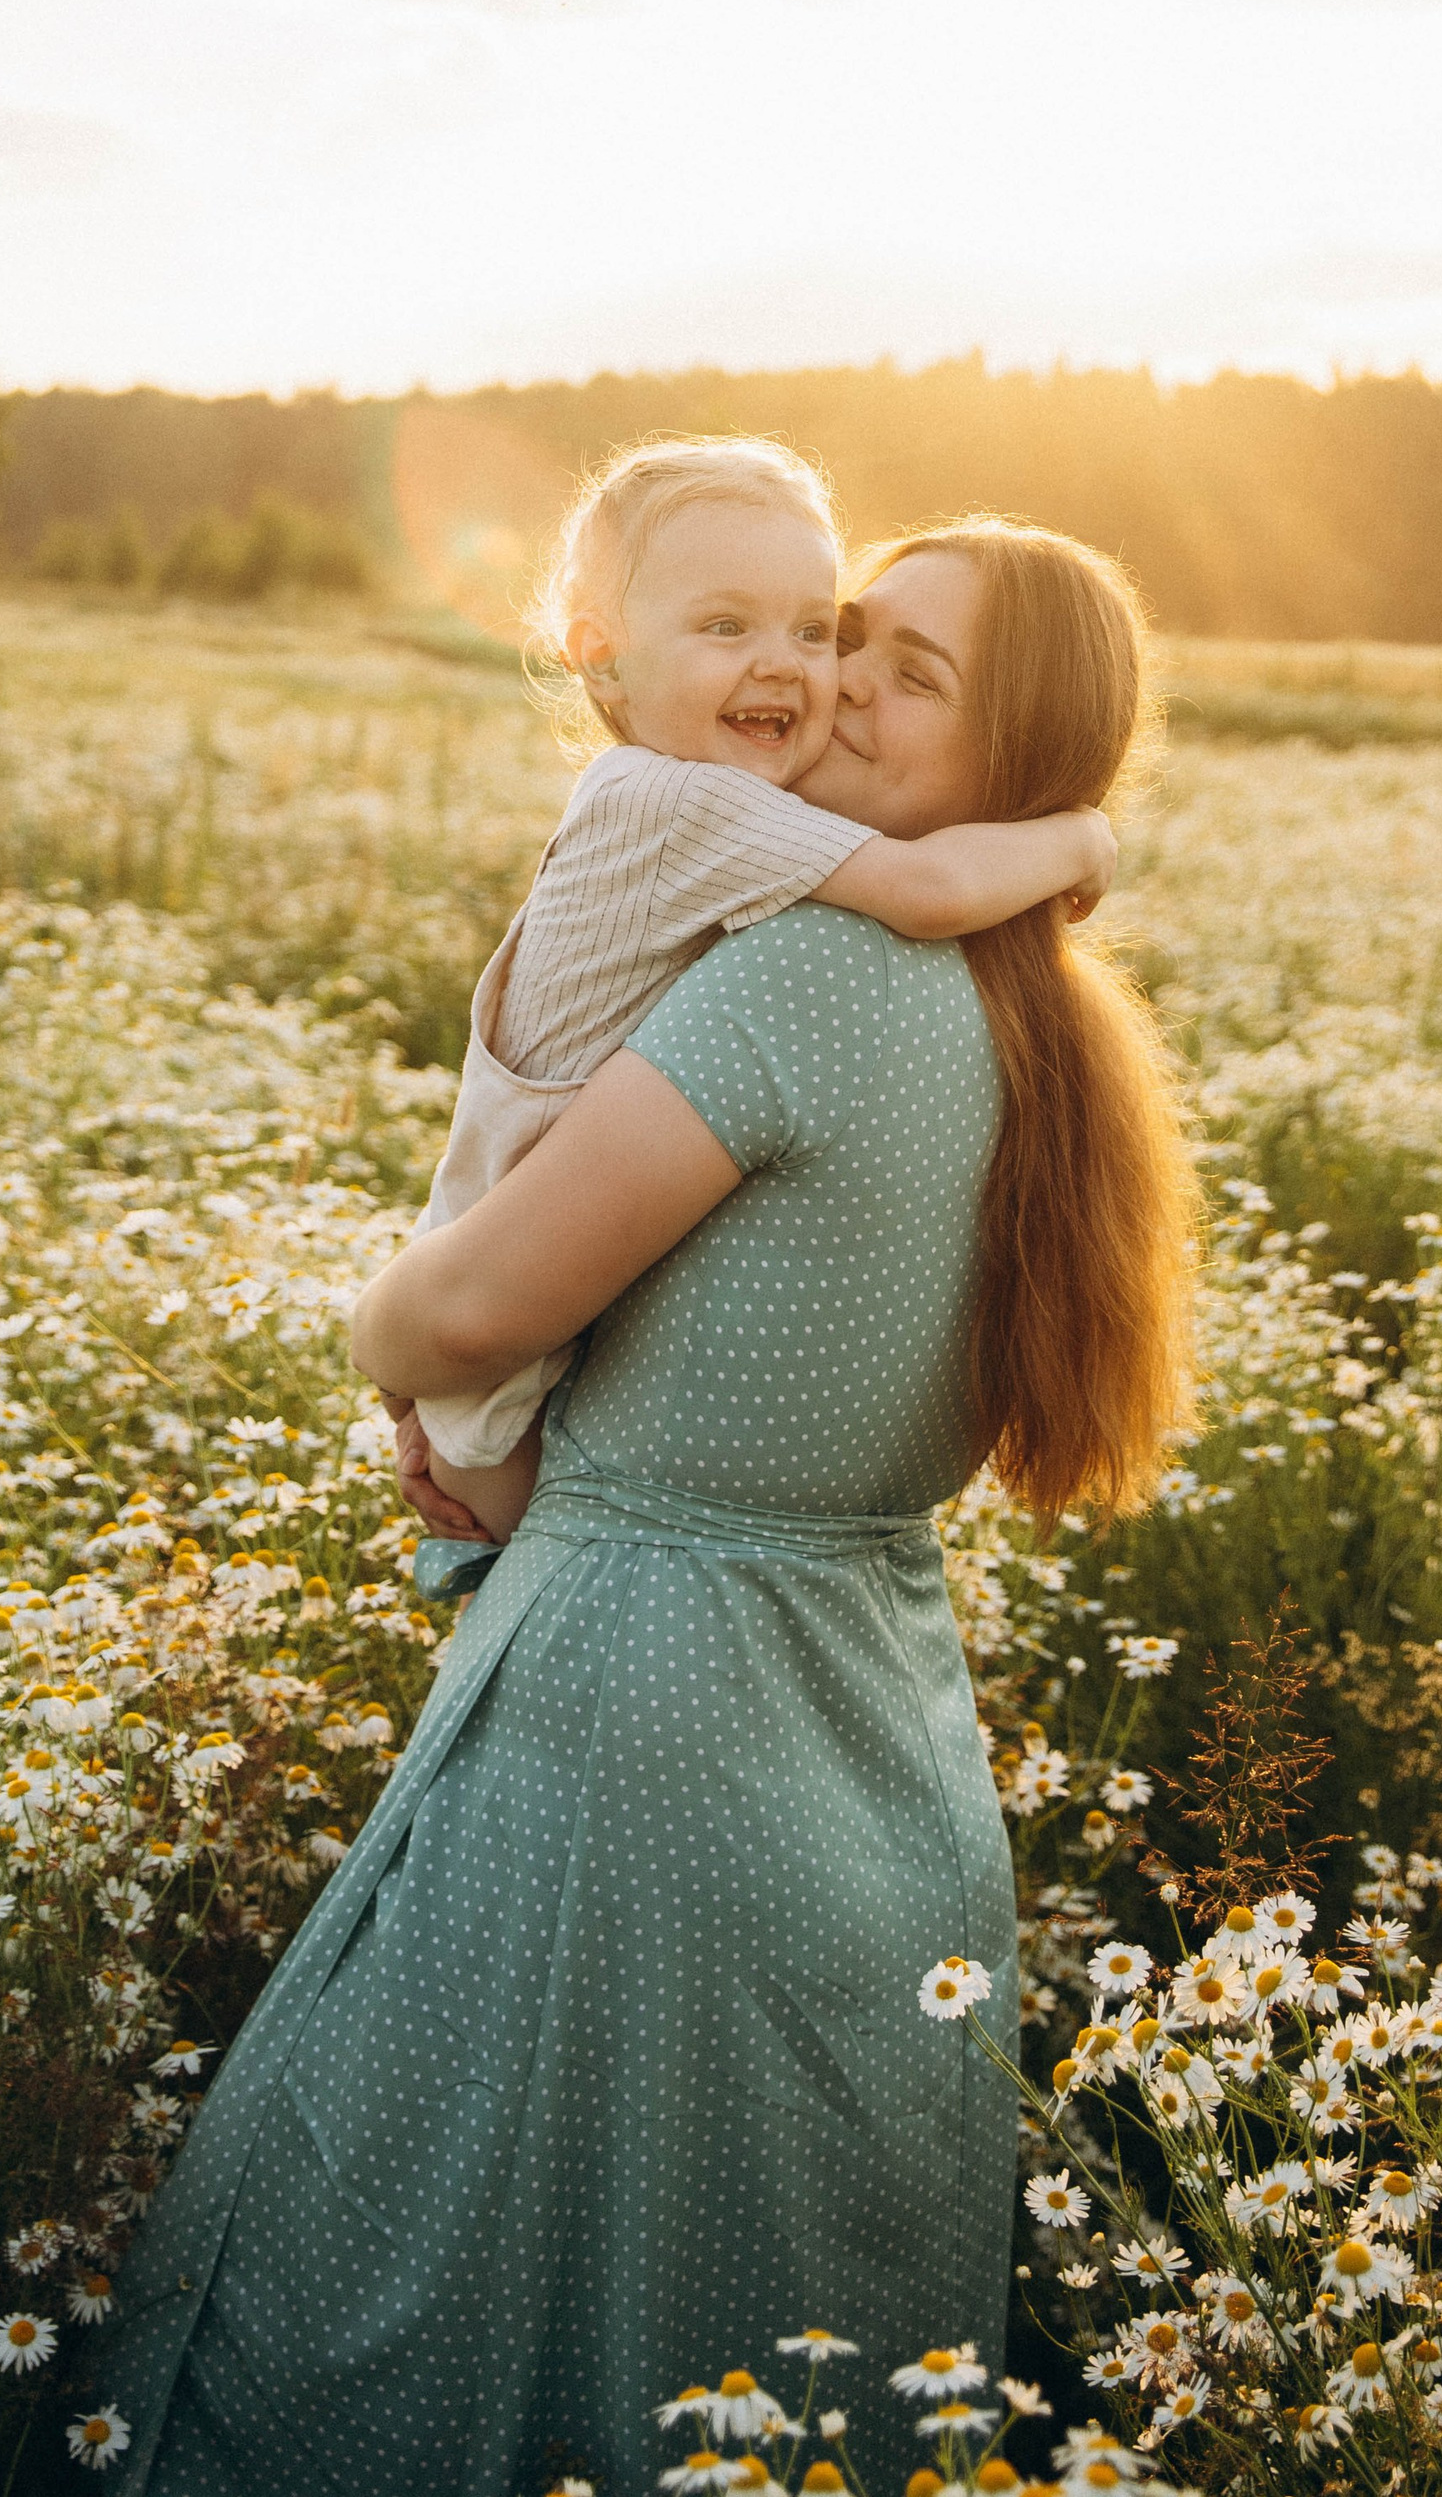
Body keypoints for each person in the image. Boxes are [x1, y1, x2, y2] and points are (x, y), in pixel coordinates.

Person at [98, 515, 1198, 2497]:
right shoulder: (1046, 1031)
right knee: (753, 2370)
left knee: (377, 2286)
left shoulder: (817, 973)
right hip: (875, 1751)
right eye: (851, 630)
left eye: (910, 667)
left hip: (631, 1739)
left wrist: (384, 1330)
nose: (841, 676)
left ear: (1014, 748)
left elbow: (464, 1300)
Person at [407, 432, 1117, 1550]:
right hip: (512, 1257)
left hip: (517, 1292)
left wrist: (400, 1341)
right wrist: (1078, 833)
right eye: (727, 626)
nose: (810, 673)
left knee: (519, 1550)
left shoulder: (801, 932)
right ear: (602, 660)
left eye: (809, 627)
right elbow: (929, 887)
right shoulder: (680, 806)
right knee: (505, 1534)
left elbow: (448, 1324)